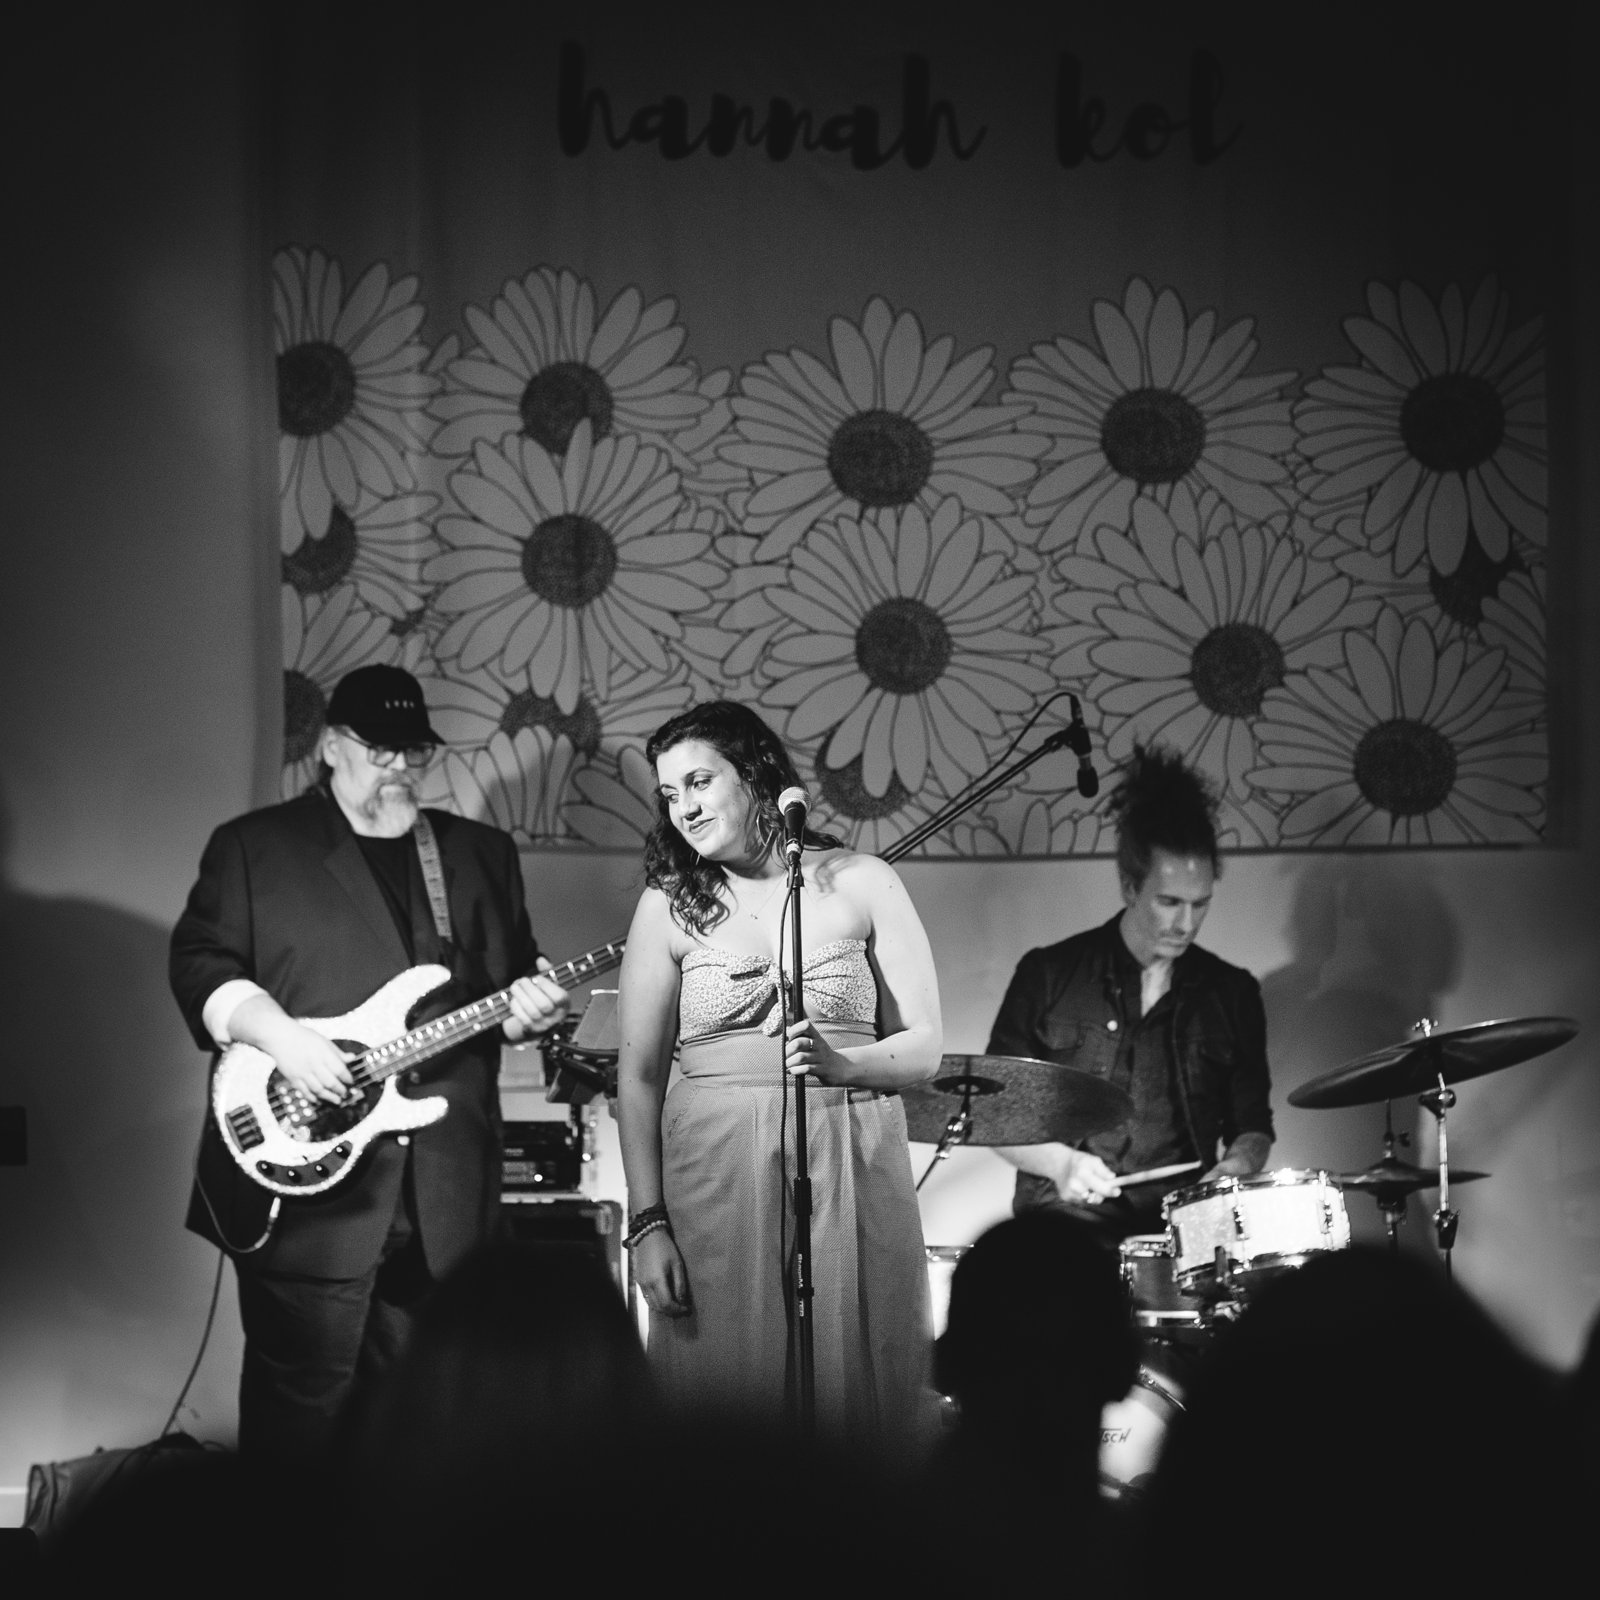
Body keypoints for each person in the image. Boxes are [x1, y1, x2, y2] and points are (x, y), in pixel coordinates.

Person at [169, 664, 568, 1464]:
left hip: (446, 1192)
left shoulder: (480, 853)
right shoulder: (255, 847)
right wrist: (283, 1039)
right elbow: (200, 963)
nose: (398, 767)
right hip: (311, 1185)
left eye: (413, 751)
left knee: (428, 1431)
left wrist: (532, 1013)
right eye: (379, 749)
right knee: (300, 1423)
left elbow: (513, 975)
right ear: (330, 746)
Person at [615, 701, 941, 1450]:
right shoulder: (667, 905)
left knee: (859, 1386)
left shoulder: (863, 880)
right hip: (716, 1167)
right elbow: (638, 1077)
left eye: (700, 782)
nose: (685, 807)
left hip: (850, 1152)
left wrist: (842, 1063)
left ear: (756, 774)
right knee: (725, 1396)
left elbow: (925, 1047)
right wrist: (647, 1223)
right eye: (670, 794)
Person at [988, 744, 1273, 1241]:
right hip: (1064, 1224)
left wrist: (1232, 1171)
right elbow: (994, 1112)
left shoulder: (1232, 992)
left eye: (1200, 904)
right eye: (1169, 902)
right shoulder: (1048, 974)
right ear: (1129, 887)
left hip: (1182, 1224)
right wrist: (1060, 1163)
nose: (1186, 923)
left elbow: (1253, 1127)